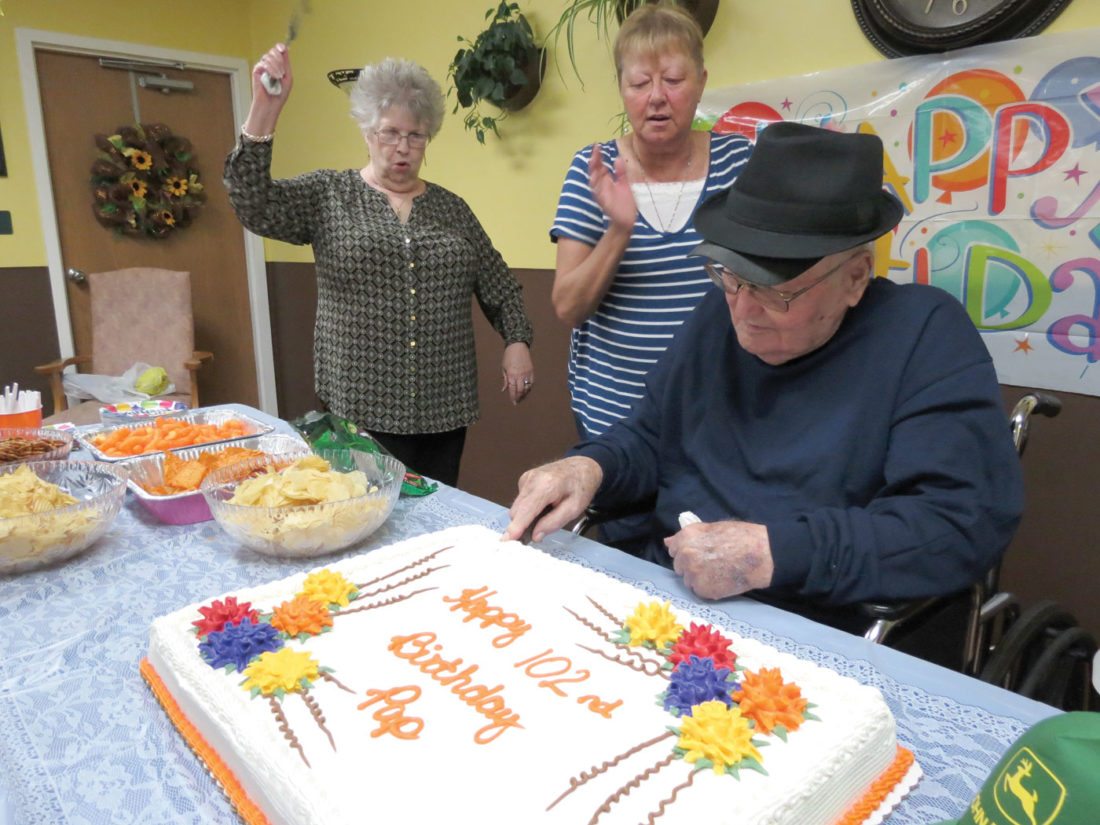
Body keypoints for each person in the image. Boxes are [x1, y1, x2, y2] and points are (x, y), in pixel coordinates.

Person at [505, 122, 1024, 653]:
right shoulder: (718, 314)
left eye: (776, 292)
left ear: (855, 277)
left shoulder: (923, 335)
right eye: (729, 275)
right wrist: (590, 467)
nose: (744, 310)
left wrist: (773, 553)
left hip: (819, 633)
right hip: (669, 604)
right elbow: (652, 435)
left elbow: (957, 521)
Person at [224, 49, 534, 487]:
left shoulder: (452, 209)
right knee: (362, 512)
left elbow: (499, 283)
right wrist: (265, 109)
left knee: (436, 510)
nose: (403, 147)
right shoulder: (329, 195)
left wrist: (517, 339)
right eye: (390, 133)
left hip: (444, 409)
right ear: (367, 131)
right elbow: (252, 202)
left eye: (416, 136)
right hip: (359, 409)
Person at [550, 3, 752, 439]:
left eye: (673, 80)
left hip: (719, 418)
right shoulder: (594, 168)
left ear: (701, 83)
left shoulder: (739, 163)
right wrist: (619, 230)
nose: (657, 96)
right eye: (640, 82)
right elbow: (568, 307)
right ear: (622, 90)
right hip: (615, 423)